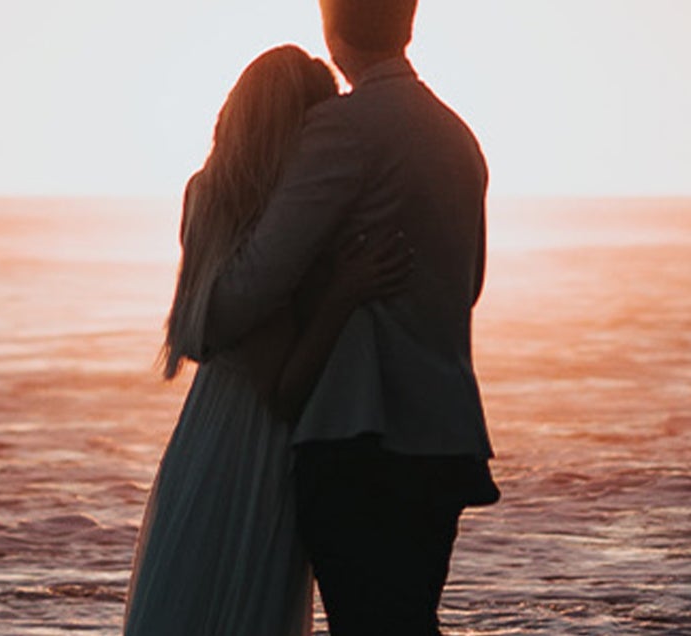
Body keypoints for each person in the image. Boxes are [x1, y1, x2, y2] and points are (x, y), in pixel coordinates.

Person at [197, 0, 500, 633]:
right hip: (444, 438)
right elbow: (466, 287)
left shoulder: (342, 128)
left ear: (329, 29)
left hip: (359, 436)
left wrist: (208, 310)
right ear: (409, 23)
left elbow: (257, 281)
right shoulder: (459, 137)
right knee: (409, 621)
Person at [127, 44, 413, 635]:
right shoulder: (260, 234)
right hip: (254, 456)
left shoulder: (208, 198)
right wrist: (344, 293)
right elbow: (283, 390)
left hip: (205, 437)